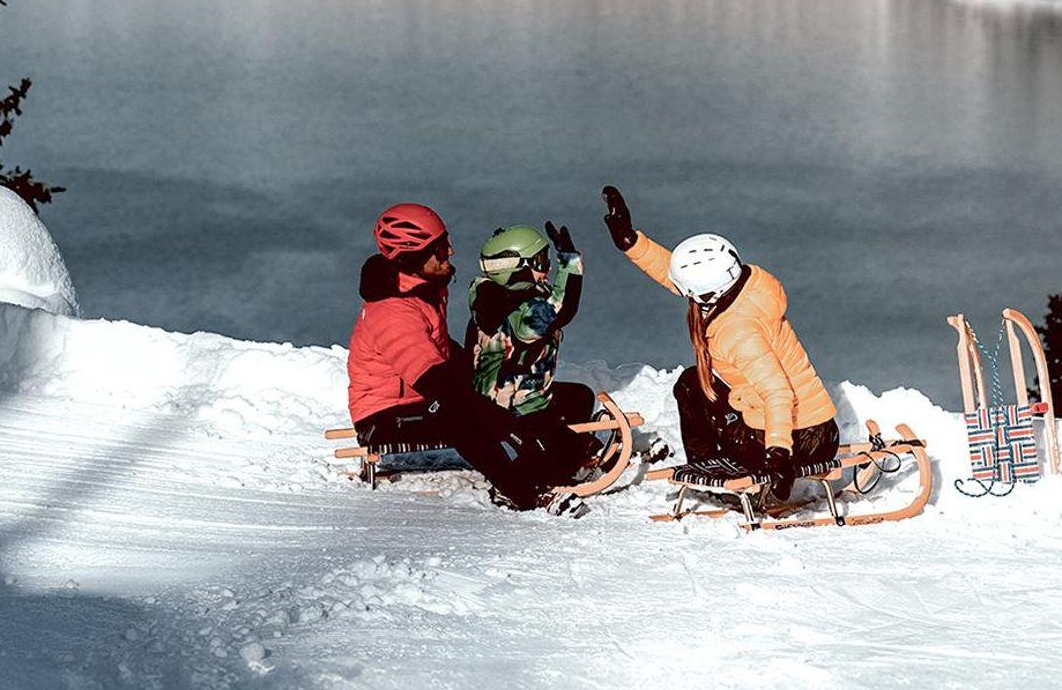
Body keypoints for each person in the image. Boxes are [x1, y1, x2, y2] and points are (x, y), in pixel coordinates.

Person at [600, 186, 839, 500]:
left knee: (692, 391)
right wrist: (631, 241)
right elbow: (682, 278)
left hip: (798, 442)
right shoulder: (746, 286)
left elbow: (777, 391)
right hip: (818, 429)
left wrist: (779, 455)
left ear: (707, 295)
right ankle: (719, 462)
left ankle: (715, 471)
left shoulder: (738, 331)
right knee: (694, 382)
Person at [346, 203, 564, 512]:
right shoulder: (393, 312)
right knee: (463, 417)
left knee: (515, 392)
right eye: (440, 248)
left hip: (422, 394)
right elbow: (433, 380)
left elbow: (437, 347)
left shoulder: (424, 288)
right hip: (386, 413)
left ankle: (568, 452)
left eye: (446, 241)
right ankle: (523, 493)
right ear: (413, 257)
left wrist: (494, 374)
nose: (451, 250)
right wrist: (490, 407)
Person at [463, 222, 599, 479]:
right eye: (540, 262)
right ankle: (548, 465)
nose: (546, 269)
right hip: (509, 410)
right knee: (566, 452)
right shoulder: (519, 313)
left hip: (524, 397)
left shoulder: (503, 297)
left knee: (580, 397)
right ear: (517, 268)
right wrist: (569, 261)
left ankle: (573, 445)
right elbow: (561, 308)